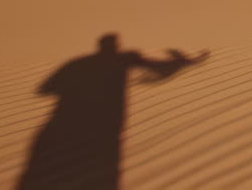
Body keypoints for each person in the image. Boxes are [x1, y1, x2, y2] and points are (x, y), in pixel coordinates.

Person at [17, 33, 208, 190]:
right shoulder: (122, 60)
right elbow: (157, 65)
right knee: (102, 170)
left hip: (73, 124)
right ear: (115, 46)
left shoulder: (78, 63)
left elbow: (45, 89)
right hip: (105, 127)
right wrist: (186, 61)